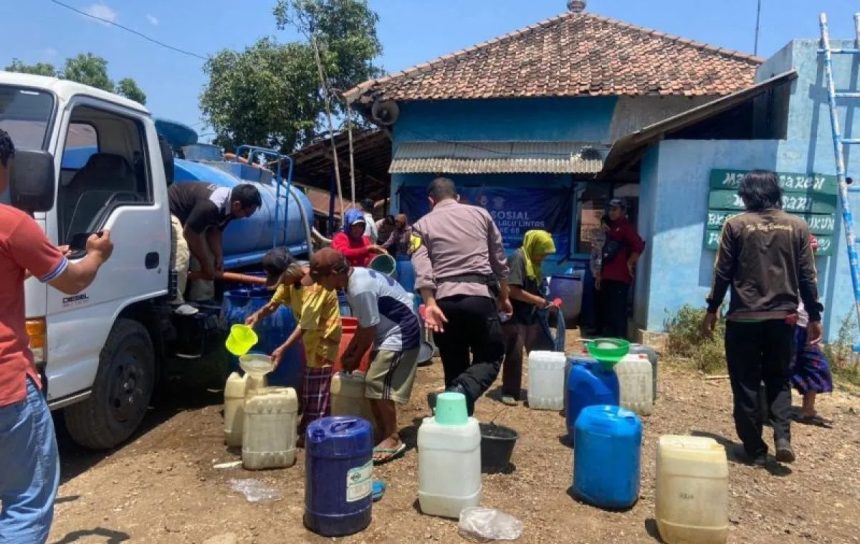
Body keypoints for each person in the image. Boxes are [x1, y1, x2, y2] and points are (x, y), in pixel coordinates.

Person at [0, 128, 114, 543]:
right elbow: (74, 282)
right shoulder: (12, 224)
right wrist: (97, 256)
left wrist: (35, 262)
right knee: (24, 503)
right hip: (5, 388)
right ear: (7, 165)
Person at [704, 170, 823, 467]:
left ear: (748, 195)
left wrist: (712, 308)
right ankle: (782, 436)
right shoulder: (797, 226)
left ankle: (755, 449)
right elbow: (808, 276)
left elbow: (723, 272)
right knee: (778, 378)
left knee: (745, 382)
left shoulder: (736, 225)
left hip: (744, 317)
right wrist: (814, 316)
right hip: (783, 317)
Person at [310, 248, 420, 464]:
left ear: (333, 274)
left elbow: (368, 330)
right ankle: (382, 432)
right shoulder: (353, 281)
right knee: (373, 385)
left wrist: (355, 355)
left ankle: (392, 437)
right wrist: (351, 352)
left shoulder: (359, 288)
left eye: (320, 279)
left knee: (377, 383)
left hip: (400, 333)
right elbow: (364, 324)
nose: (318, 284)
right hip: (387, 332)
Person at [412, 177, 511, 415]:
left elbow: (422, 266)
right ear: (457, 197)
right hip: (479, 298)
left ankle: (453, 418)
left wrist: (430, 303)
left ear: (430, 201)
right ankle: (458, 395)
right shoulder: (481, 215)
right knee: (491, 355)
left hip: (444, 303)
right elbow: (499, 259)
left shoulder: (420, 225)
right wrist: (505, 295)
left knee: (454, 365)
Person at [245, 251, 342, 441]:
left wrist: (282, 348)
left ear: (291, 270)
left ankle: (317, 434)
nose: (281, 282)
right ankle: (309, 426)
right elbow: (274, 303)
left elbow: (306, 324)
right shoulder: (291, 281)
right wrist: (258, 315)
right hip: (310, 339)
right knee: (309, 385)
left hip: (324, 338)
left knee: (318, 386)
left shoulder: (314, 285)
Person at [168, 181, 261, 303]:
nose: (246, 217)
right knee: (181, 249)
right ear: (237, 205)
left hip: (191, 222)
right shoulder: (211, 205)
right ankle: (175, 301)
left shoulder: (231, 207)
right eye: (247, 214)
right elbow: (190, 233)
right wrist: (206, 264)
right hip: (171, 210)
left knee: (208, 257)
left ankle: (202, 299)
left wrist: (218, 255)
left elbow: (215, 231)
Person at [501, 230, 559, 406]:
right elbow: (512, 289)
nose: (542, 258)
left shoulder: (533, 264)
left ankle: (543, 388)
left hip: (532, 314)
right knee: (514, 353)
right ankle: (509, 391)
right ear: (533, 246)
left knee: (543, 350)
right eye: (541, 253)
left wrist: (546, 303)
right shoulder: (518, 259)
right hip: (515, 314)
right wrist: (538, 300)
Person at [790, 236, 833, 427]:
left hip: (808, 324)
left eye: (814, 252)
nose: (812, 255)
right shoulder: (789, 270)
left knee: (816, 365)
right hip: (792, 324)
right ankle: (769, 408)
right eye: (810, 251)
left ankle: (808, 408)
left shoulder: (812, 272)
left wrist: (814, 321)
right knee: (783, 367)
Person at [599, 199, 645, 339]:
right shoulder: (610, 226)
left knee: (618, 313)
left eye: (615, 209)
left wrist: (630, 263)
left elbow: (639, 246)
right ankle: (608, 340)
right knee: (607, 311)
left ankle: (619, 341)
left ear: (623, 211)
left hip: (620, 278)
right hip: (607, 276)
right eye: (610, 209)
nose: (611, 212)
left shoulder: (626, 228)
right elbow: (603, 218)